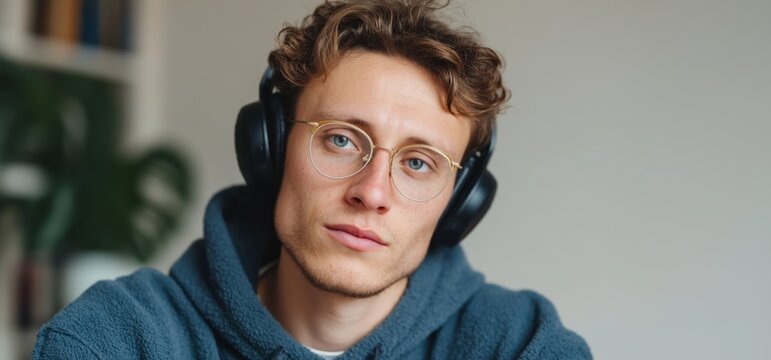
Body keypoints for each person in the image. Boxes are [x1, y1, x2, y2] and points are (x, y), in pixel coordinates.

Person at [32, 0, 591, 358]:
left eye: (419, 162)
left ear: (460, 202)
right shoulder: (123, 336)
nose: (372, 192)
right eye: (342, 139)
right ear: (269, 150)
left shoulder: (520, 343)